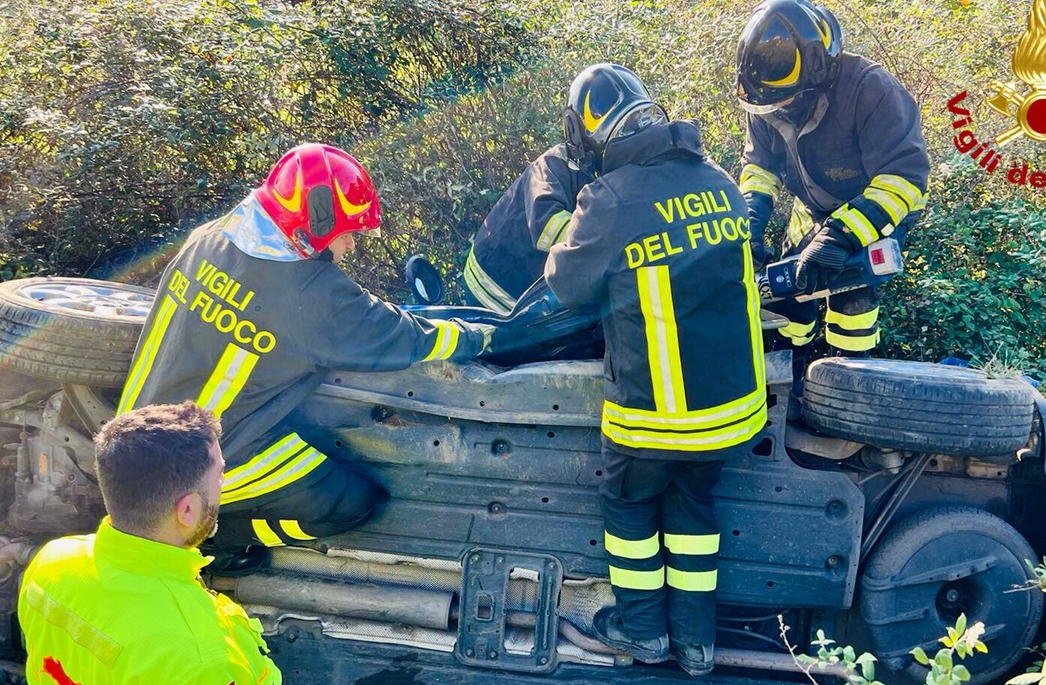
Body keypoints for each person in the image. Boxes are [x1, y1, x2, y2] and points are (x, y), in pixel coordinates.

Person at [116, 143, 490, 556]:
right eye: (348, 234)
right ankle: (216, 543)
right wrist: (482, 336)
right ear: (318, 221)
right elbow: (411, 339)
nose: (350, 246)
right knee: (354, 504)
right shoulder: (313, 293)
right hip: (209, 462)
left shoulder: (208, 238)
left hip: (134, 438)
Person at [545, 64, 766, 677]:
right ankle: (696, 646)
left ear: (589, 134)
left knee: (628, 507)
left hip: (655, 418)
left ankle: (644, 633)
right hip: (731, 414)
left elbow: (566, 286)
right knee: (693, 512)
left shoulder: (610, 198)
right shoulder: (718, 181)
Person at [18, 402, 281, 684]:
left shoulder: (52, 560)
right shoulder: (200, 661)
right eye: (219, 475)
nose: (223, 482)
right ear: (187, 511)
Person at [736, 0, 929, 372]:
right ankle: (794, 364)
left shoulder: (871, 90)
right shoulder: (766, 93)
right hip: (810, 209)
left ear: (819, 77)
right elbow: (760, 165)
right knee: (788, 292)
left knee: (851, 298)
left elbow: (903, 178)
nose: (779, 110)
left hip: (875, 210)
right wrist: (750, 220)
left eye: (789, 101)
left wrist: (840, 237)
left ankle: (849, 372)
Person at [462, 78, 595, 312]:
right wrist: (608, 240)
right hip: (496, 284)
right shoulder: (553, 164)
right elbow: (548, 226)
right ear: (576, 127)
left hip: (529, 288)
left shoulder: (603, 169)